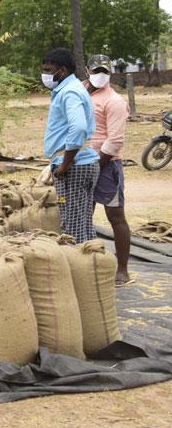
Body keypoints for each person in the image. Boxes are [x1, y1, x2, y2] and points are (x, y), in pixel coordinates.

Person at [42, 47, 100, 243]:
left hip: (73, 168)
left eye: (49, 70)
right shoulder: (73, 88)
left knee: (72, 226)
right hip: (82, 164)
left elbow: (79, 127)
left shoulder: (69, 92)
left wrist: (65, 164)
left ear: (63, 70)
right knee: (83, 222)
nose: (45, 75)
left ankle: (77, 259)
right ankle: (91, 257)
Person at [85, 54, 132, 284]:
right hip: (82, 162)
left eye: (104, 71)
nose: (100, 75)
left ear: (110, 74)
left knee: (115, 216)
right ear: (87, 72)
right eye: (96, 71)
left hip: (106, 165)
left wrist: (96, 166)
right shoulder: (80, 93)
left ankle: (122, 269)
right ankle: (85, 264)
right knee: (83, 215)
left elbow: (115, 141)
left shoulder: (114, 101)